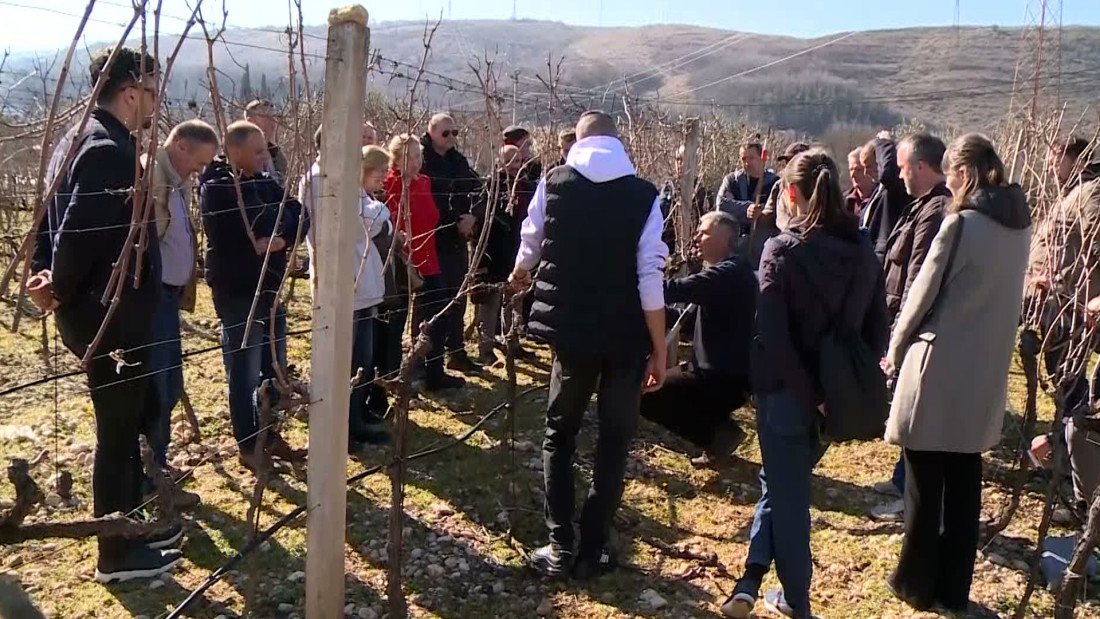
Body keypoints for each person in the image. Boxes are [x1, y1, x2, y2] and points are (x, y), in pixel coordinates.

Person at [27, 46, 184, 583]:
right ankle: (115, 553)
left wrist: (50, 275)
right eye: (153, 90)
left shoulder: (81, 137)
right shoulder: (105, 148)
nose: (155, 102)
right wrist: (58, 285)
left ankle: (131, 526)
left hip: (103, 311)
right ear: (130, 90)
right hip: (109, 317)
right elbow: (76, 232)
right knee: (117, 433)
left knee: (130, 421)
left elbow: (51, 219)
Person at [723, 149, 887, 619]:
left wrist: (809, 394)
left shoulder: (781, 249)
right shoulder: (862, 250)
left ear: (790, 193)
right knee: (781, 483)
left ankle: (798, 601)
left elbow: (772, 334)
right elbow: (878, 327)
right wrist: (842, 384)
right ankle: (752, 576)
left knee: (789, 495)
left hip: (785, 394)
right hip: (838, 396)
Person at [512, 111, 668, 580]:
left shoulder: (554, 182)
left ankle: (560, 545)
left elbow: (530, 242)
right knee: (615, 441)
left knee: (560, 435)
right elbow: (650, 277)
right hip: (625, 340)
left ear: (575, 142)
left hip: (573, 336)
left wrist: (517, 276)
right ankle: (595, 547)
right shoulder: (645, 196)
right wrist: (659, 348)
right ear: (619, 143)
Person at [884, 134, 1031, 614]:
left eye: (950, 175)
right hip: (985, 369)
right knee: (966, 483)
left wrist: (896, 347)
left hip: (940, 365)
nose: (948, 185)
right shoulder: (1019, 228)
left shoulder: (961, 225)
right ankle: (953, 588)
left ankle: (915, 583)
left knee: (924, 481)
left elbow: (921, 296)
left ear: (964, 174)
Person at [200, 120, 309, 471]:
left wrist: (279, 240)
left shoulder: (262, 183)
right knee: (244, 368)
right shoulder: (217, 188)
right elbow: (256, 221)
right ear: (234, 151)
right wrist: (276, 227)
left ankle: (269, 433)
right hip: (239, 290)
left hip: (270, 289)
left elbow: (301, 213)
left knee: (271, 366)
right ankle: (248, 444)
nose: (266, 158)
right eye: (259, 151)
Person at [870, 134, 952, 517]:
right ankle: (903, 480)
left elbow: (919, 276)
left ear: (921, 167)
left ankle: (911, 495)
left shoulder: (936, 210)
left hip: (917, 328)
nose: (899, 175)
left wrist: (900, 334)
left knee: (916, 412)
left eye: (903, 167)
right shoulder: (920, 206)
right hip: (904, 322)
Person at [640, 211, 756, 467]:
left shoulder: (730, 273)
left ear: (725, 236)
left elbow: (677, 290)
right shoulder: (729, 273)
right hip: (721, 372)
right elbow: (690, 319)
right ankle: (716, 435)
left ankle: (719, 435)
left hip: (723, 376)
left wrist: (640, 284)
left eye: (703, 232)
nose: (696, 237)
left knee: (646, 393)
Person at [144, 120, 219, 510]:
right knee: (156, 389)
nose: (200, 171)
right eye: (199, 161)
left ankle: (157, 467)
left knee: (169, 386)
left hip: (168, 299)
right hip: (151, 300)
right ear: (182, 147)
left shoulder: (176, 180)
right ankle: (149, 476)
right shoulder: (149, 176)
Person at [301, 133, 391, 450]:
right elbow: (357, 223)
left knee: (360, 361)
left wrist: (375, 213)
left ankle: (355, 419)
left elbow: (369, 217)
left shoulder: (345, 179)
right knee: (342, 363)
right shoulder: (319, 179)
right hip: (340, 284)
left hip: (360, 282)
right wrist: (378, 213)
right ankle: (339, 431)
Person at [1027, 136, 1100, 525]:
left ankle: (1084, 497)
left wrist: (1063, 283)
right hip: (1060, 309)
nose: (1051, 164)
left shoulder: (1091, 193)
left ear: (1076, 159)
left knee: (1078, 407)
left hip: (1076, 313)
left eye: (1057, 157)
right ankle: (1075, 489)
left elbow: (1093, 246)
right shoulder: (1069, 194)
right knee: (1069, 400)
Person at [385, 134, 466, 392]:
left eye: (419, 156)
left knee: (434, 317)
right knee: (395, 322)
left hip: (429, 260)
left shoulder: (425, 182)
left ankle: (432, 371)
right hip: (402, 264)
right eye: (410, 157)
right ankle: (395, 377)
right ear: (396, 160)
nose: (417, 162)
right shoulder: (389, 187)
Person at [419, 114, 481, 373]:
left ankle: (456, 351)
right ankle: (424, 357)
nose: (452, 138)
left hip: (456, 239)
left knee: (457, 296)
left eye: (455, 132)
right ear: (431, 131)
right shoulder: (420, 159)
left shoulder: (458, 160)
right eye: (446, 133)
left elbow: (478, 189)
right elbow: (425, 200)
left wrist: (471, 217)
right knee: (431, 300)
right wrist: (454, 219)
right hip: (431, 238)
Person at [471, 145, 536, 364]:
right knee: (489, 303)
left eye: (518, 161)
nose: (514, 165)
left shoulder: (526, 187)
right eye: (509, 160)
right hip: (493, 252)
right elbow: (480, 219)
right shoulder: (490, 186)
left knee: (514, 300)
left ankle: (513, 343)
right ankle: (485, 350)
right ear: (500, 161)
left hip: (515, 251)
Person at [751, 142, 811, 267]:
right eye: (787, 161)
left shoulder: (818, 187)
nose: (788, 166)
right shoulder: (780, 186)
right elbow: (769, 215)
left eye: (793, 161)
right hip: (784, 249)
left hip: (809, 249)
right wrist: (758, 215)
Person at [860, 133, 913, 263]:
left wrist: (884, 143)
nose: (866, 173)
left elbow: (888, 172)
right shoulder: (878, 190)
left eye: (870, 167)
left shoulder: (893, 188)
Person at [716, 142, 779, 240]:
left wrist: (762, 214)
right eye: (743, 159)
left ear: (762, 159)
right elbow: (721, 204)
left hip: (764, 241)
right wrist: (746, 209)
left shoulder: (775, 183)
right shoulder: (732, 180)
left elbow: (780, 211)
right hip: (735, 240)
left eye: (751, 158)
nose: (747, 163)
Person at [244, 99, 287, 186]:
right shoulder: (242, 156)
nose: (273, 122)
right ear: (250, 122)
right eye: (267, 117)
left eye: (274, 117)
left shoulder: (278, 156)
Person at [846, 147, 873, 216]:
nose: (853, 175)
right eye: (851, 170)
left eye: (858, 170)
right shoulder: (845, 202)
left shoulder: (879, 200)